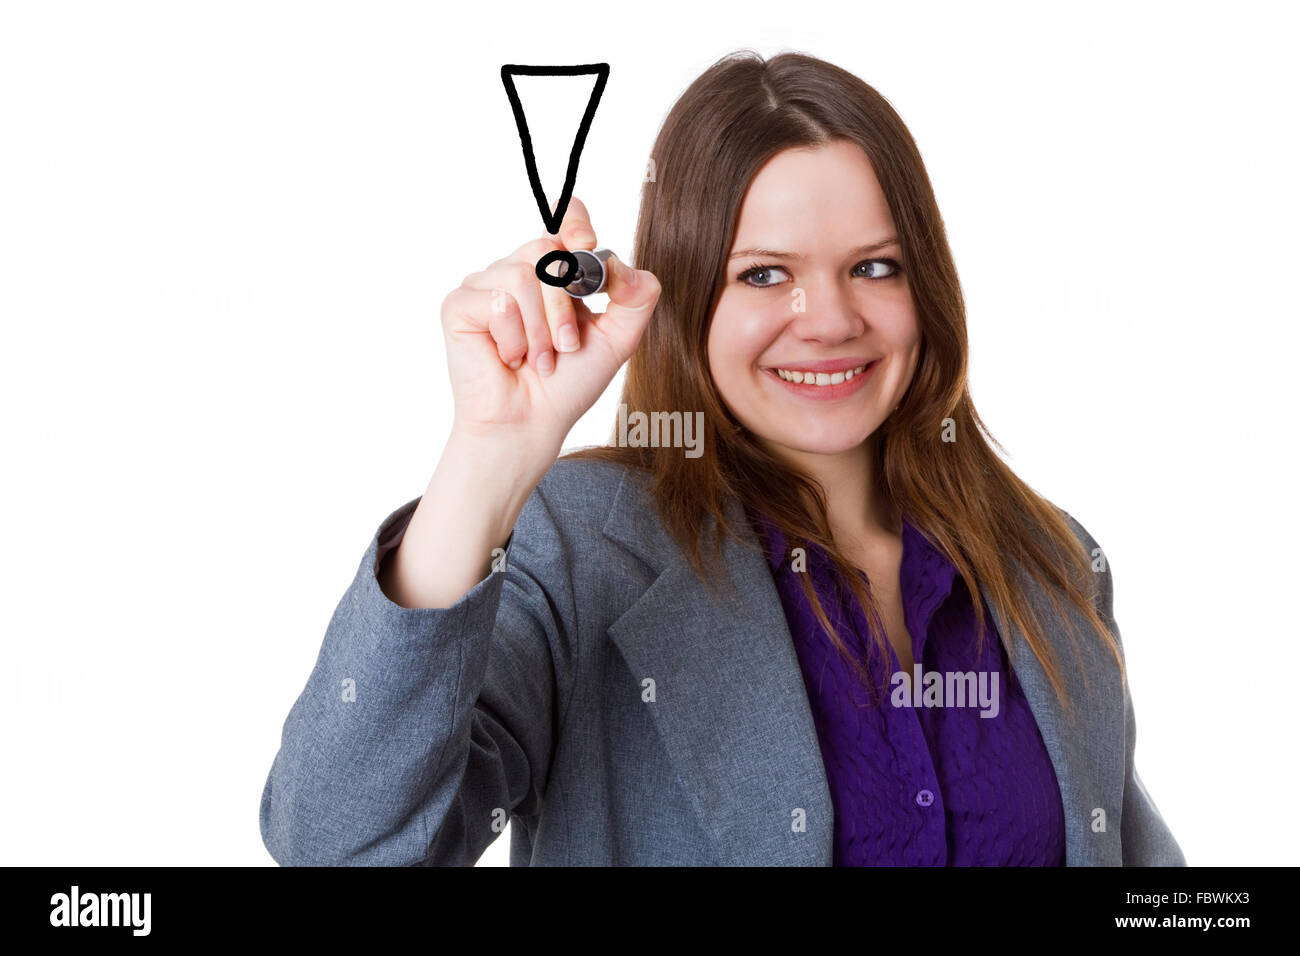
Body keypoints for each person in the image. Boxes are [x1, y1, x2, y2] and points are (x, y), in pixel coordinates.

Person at [259, 49, 1185, 866]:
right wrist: (484, 464)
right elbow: (342, 846)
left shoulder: (1050, 558)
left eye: (874, 266)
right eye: (764, 274)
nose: (828, 320)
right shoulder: (582, 551)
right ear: (687, 295)